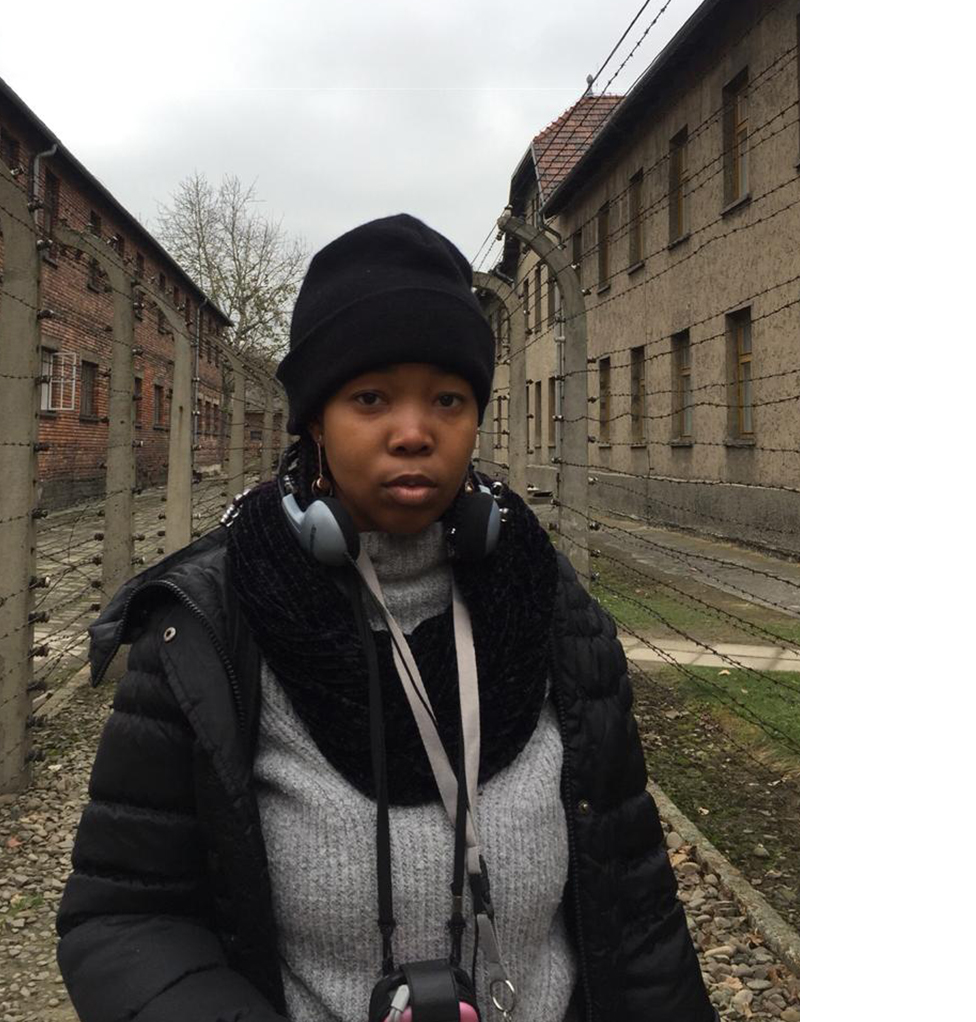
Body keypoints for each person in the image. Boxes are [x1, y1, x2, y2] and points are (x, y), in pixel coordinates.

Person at [56, 214, 717, 1022]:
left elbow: (636, 906)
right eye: (371, 398)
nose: (414, 432)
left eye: (448, 398)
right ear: (313, 420)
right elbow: (125, 917)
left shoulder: (550, 607)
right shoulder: (207, 627)